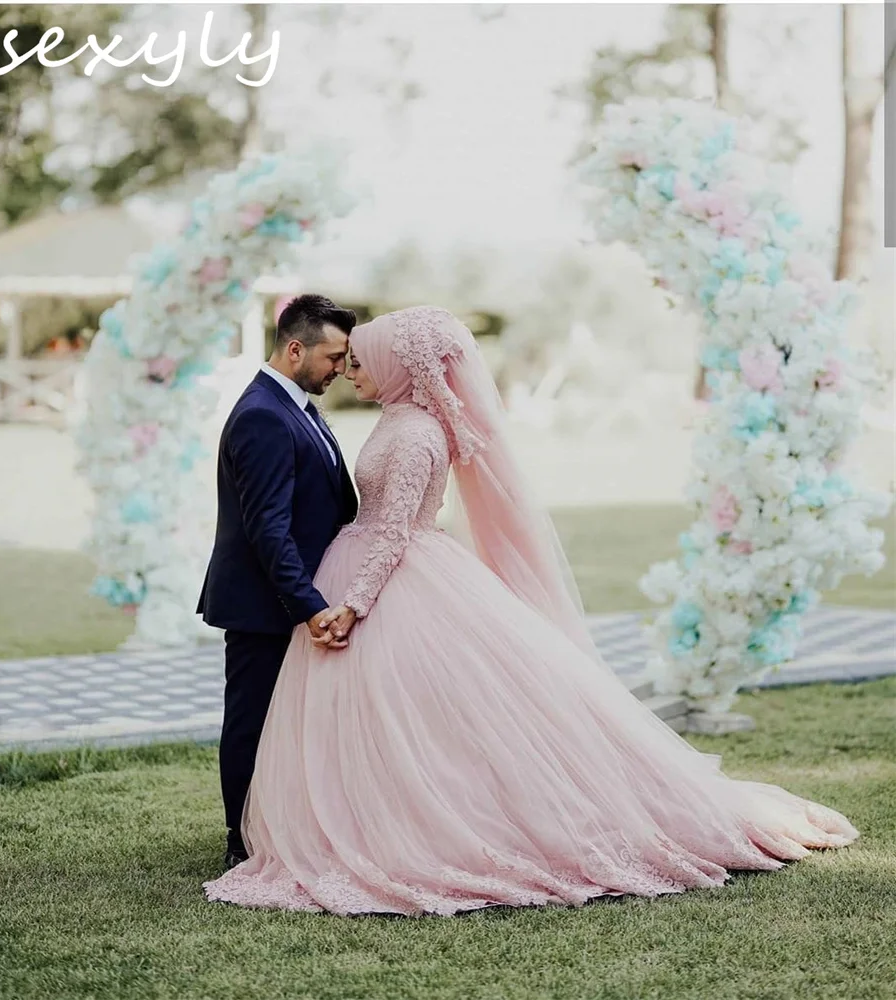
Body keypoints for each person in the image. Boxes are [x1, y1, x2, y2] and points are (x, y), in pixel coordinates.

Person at [203, 305, 857, 916]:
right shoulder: (394, 420)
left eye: (362, 358)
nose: (351, 369)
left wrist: (351, 603)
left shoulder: (413, 433)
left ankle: (396, 830)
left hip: (388, 583)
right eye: (345, 358)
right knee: (384, 722)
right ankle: (325, 825)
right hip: (365, 577)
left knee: (413, 721)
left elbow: (396, 532)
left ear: (401, 368)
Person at [197, 294, 358, 869]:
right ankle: (241, 839)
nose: (340, 369)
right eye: (333, 357)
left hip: (286, 594)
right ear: (296, 349)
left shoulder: (295, 404)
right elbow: (268, 527)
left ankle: (281, 823)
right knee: (252, 719)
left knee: (282, 720)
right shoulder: (264, 413)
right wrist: (311, 606)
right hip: (261, 601)